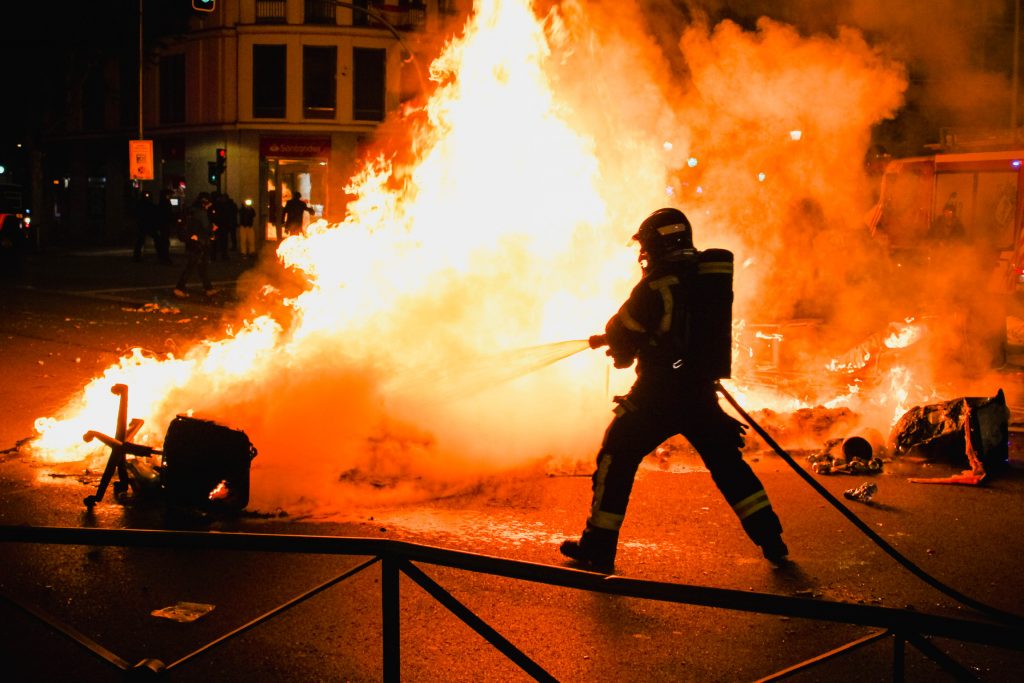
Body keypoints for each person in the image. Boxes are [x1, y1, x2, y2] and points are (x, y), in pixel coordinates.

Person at [560, 208, 787, 573]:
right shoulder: (702, 280)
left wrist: (618, 349)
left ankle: (598, 546)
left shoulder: (656, 286)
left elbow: (623, 331)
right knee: (729, 466)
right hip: (699, 393)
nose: (643, 254)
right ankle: (772, 539)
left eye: (646, 246)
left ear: (655, 244)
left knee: (616, 455)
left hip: (658, 395)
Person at [174, 193, 218, 299]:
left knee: (199, 266)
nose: (209, 206)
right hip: (199, 242)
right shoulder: (201, 213)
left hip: (192, 241)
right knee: (194, 265)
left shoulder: (191, 210)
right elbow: (206, 227)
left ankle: (208, 289)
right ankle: (179, 288)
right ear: (205, 203)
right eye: (209, 204)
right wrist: (213, 229)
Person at [133, 191, 172, 264]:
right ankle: (137, 256)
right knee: (144, 239)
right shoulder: (143, 205)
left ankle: (138, 256)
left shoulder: (147, 205)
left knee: (152, 239)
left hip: (147, 225)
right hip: (145, 225)